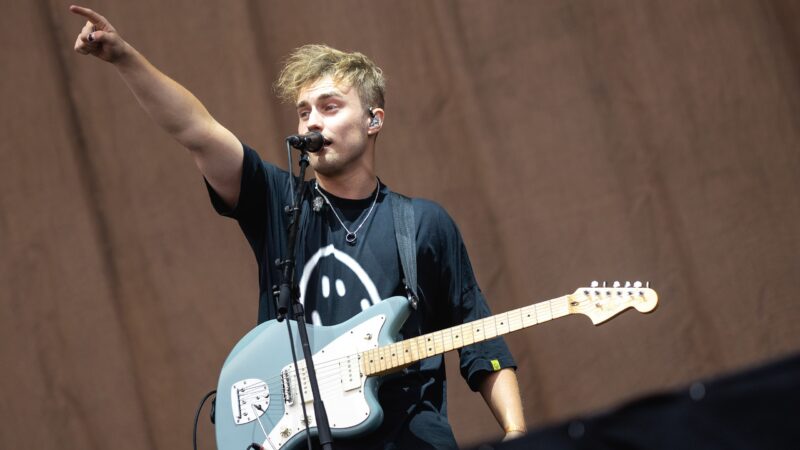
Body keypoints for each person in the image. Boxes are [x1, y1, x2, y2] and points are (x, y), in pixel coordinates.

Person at [70, 5, 526, 448]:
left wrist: (516, 434)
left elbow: (478, 334)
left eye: (329, 107)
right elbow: (196, 130)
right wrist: (125, 58)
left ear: (373, 120)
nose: (312, 120)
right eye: (304, 110)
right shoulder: (279, 201)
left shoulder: (423, 224)